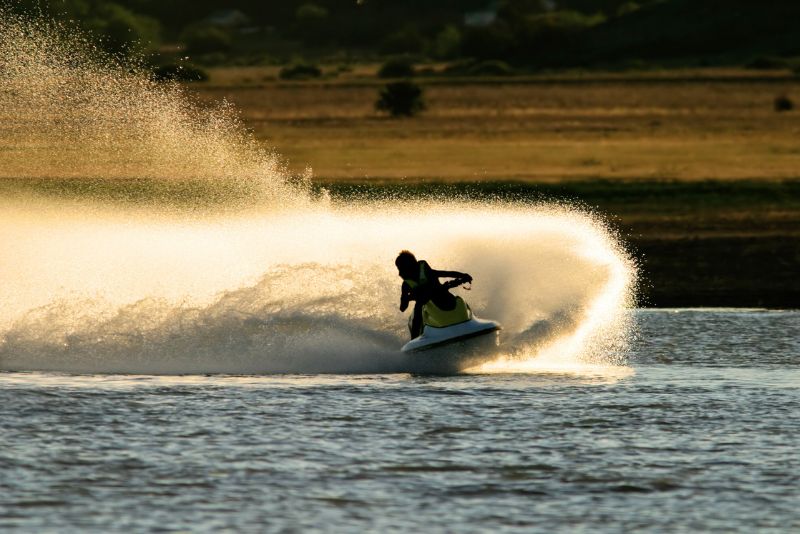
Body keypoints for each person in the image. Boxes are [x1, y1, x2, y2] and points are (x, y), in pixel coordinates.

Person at [395, 250, 472, 339]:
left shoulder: (427, 272)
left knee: (458, 299)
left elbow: (446, 273)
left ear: (409, 266)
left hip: (443, 297)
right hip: (427, 305)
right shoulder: (406, 284)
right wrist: (407, 298)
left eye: (400, 269)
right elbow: (402, 308)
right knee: (418, 306)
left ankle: (468, 319)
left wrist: (463, 276)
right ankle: (414, 340)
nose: (399, 273)